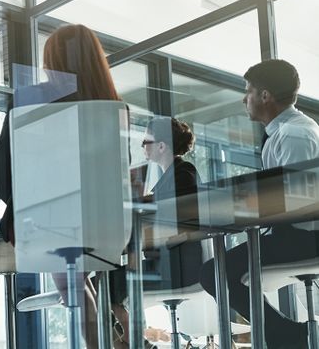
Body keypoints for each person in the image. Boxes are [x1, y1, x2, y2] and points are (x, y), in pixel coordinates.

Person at [0, 23, 122, 349]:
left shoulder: (33, 99)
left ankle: (102, 343)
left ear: (52, 61)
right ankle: (116, 341)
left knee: (73, 286)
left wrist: (21, 201)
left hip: (52, 221)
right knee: (85, 283)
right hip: (108, 224)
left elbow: (5, 170)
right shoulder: (112, 106)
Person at [199, 59, 319, 348]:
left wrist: (245, 211)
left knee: (215, 273)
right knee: (217, 271)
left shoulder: (294, 135)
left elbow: (300, 202)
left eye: (249, 91)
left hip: (306, 237)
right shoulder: (286, 132)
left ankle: (290, 337)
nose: (245, 98)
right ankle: (288, 335)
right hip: (296, 233)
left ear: (265, 96)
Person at [111, 117, 202, 347]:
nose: (143, 146)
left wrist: (138, 202)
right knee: (102, 285)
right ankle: (134, 342)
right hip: (165, 263)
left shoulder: (184, 173)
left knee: (103, 286)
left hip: (177, 266)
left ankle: (137, 342)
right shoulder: (168, 178)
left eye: (147, 141)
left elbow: (174, 211)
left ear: (162, 146)